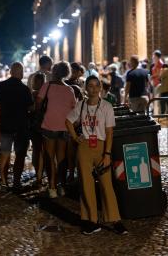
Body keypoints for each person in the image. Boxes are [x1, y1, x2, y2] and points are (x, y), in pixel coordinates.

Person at [65, 75, 128, 235]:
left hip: (101, 147)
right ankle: (90, 220)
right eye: (90, 86)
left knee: (107, 184)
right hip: (85, 147)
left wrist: (107, 153)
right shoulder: (81, 105)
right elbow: (68, 121)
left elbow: (109, 132)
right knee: (86, 185)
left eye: (96, 86)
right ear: (86, 88)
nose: (93, 89)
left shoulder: (106, 106)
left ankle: (115, 220)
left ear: (100, 88)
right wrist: (75, 137)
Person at [36, 61, 76, 198]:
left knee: (49, 156)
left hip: (49, 125)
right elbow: (74, 110)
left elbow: (39, 103)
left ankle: (52, 187)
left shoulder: (47, 86)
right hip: (64, 127)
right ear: (66, 73)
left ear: (54, 72)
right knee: (61, 158)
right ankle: (61, 186)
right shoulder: (70, 89)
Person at [0, 62, 33, 191]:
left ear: (10, 72)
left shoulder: (2, 85)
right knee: (20, 155)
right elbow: (30, 107)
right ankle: (16, 181)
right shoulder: (25, 89)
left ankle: (4, 181)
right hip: (21, 127)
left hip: (6, 125)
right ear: (20, 73)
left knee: (4, 153)